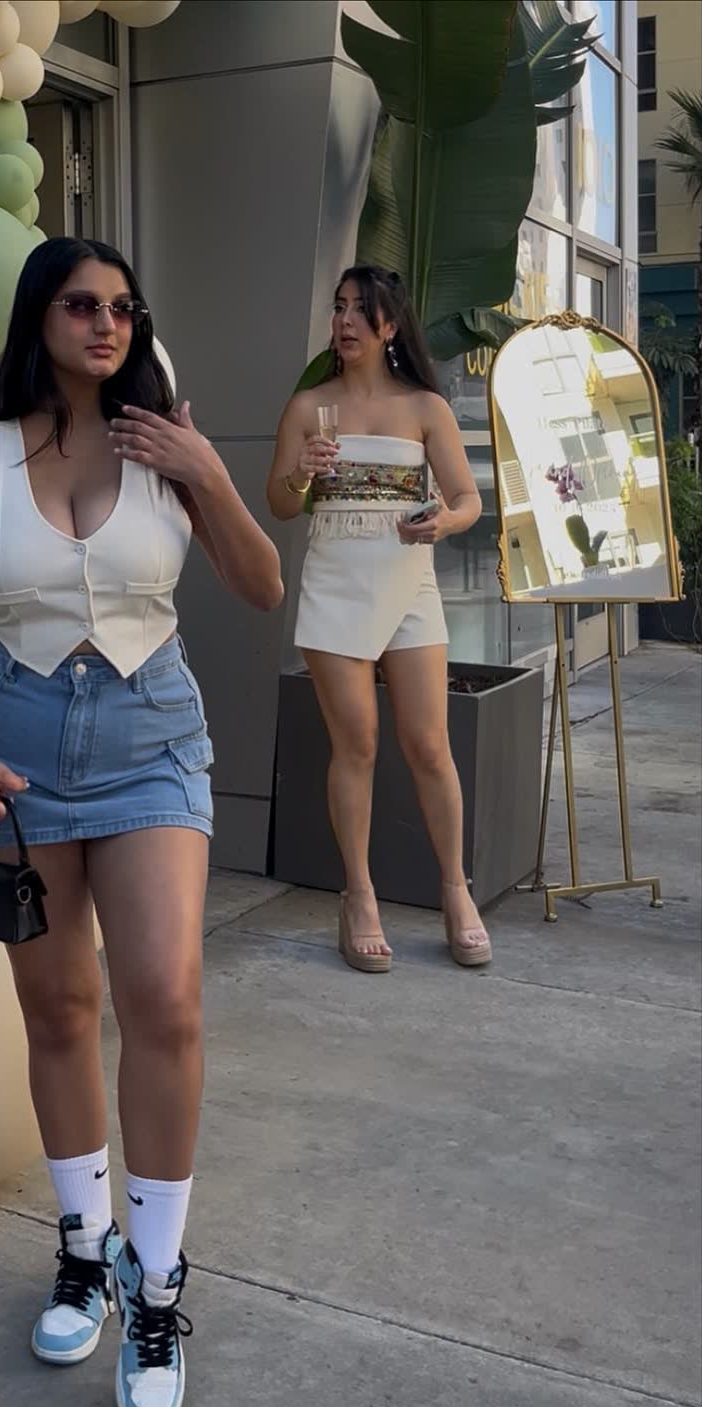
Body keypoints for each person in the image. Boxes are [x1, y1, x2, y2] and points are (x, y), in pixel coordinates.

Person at [0, 236, 283, 1407]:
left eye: (124, 306)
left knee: (164, 997)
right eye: (81, 304)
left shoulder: (165, 445)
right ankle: (84, 1246)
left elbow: (263, 585)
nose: (106, 323)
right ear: (40, 318)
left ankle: (156, 1283)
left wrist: (206, 470)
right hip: (15, 746)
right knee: (61, 1008)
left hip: (150, 736)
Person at [266, 264, 492, 975]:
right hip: (334, 582)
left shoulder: (426, 407)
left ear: (390, 325)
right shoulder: (308, 406)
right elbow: (279, 503)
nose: (345, 321)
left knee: (428, 743)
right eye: (339, 307)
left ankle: (455, 891)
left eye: (361, 310)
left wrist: (443, 522)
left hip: (409, 581)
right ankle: (358, 896)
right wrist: (301, 471)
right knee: (356, 744)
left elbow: (468, 500)